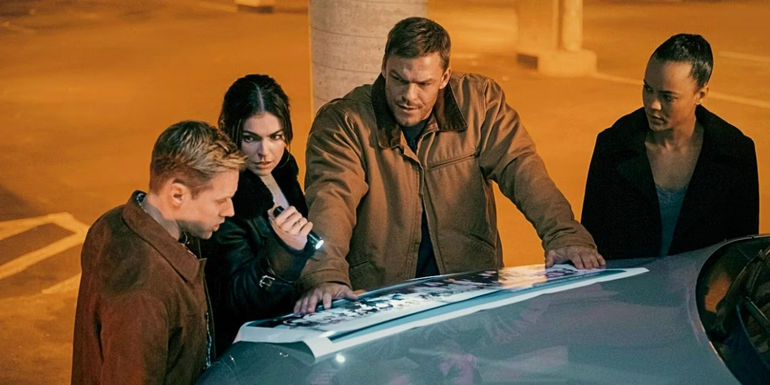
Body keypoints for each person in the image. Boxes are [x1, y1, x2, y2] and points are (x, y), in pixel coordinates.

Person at [295, 17, 604, 314]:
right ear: (384, 68)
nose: (408, 95)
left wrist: (564, 234)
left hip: (468, 288)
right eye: (398, 79)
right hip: (384, 296)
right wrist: (326, 276)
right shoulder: (344, 122)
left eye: (423, 83)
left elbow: (522, 168)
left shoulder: (480, 103)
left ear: (444, 77)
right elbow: (332, 199)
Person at [71, 121, 245, 384]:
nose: (229, 210)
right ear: (177, 195)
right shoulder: (144, 292)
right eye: (221, 200)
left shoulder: (112, 223)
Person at [581, 33, 759, 260]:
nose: (653, 104)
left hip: (697, 293)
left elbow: (742, 251)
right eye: (648, 89)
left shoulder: (735, 153)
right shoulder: (613, 145)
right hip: (626, 292)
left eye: (668, 97)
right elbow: (590, 241)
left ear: (700, 94)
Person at [202, 74, 317, 354]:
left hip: (295, 328)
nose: (264, 152)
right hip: (252, 347)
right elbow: (235, 300)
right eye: (250, 138)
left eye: (275, 137)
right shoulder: (227, 198)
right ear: (230, 134)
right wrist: (284, 252)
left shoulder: (283, 170)